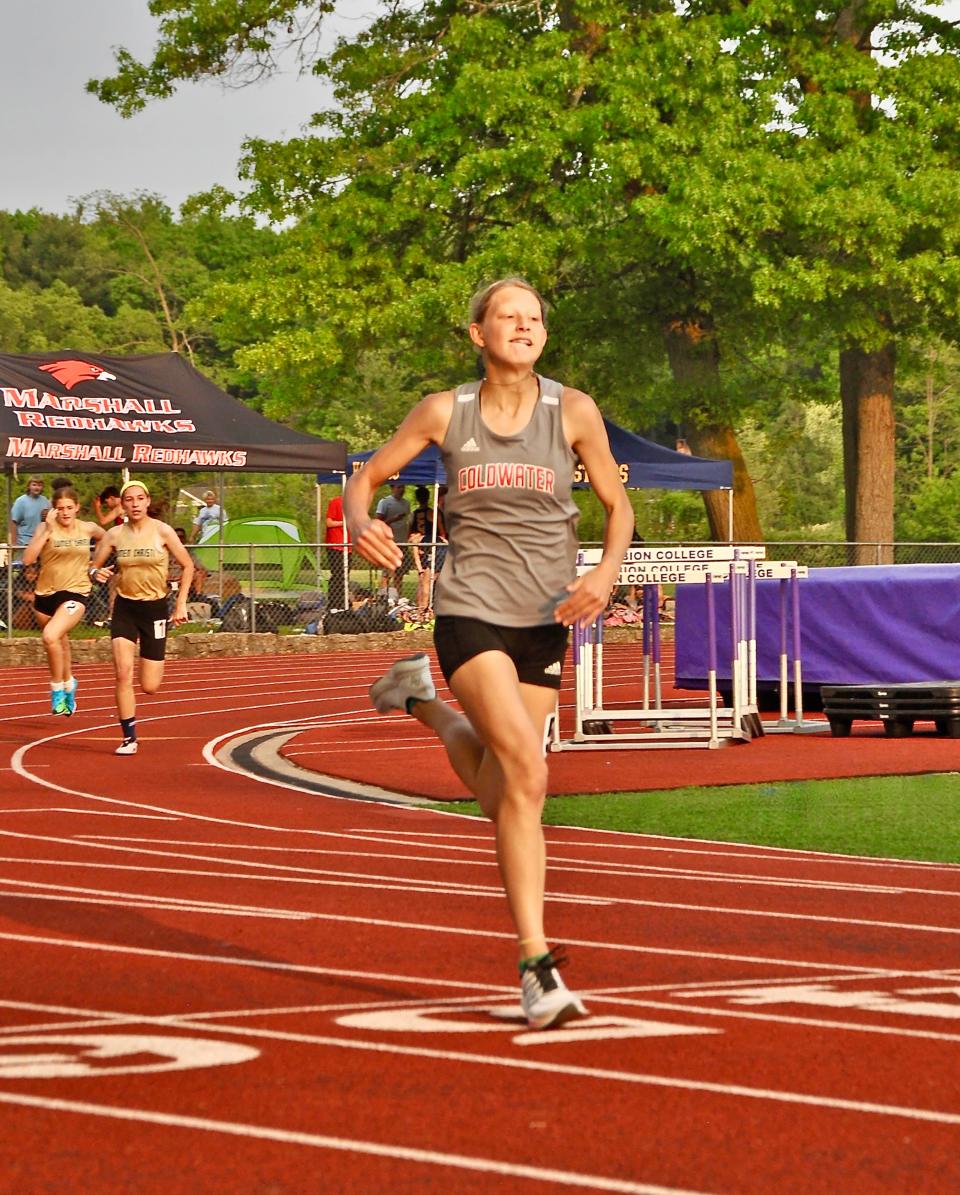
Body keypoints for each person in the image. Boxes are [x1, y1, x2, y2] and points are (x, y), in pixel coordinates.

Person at [344, 277, 633, 1030]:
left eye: (534, 317)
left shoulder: (572, 410)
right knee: (529, 773)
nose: (523, 326)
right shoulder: (447, 411)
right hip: (470, 607)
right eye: (508, 316)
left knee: (506, 786)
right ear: (478, 332)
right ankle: (536, 966)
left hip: (547, 614)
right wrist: (358, 521)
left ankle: (417, 702)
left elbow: (618, 502)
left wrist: (604, 572)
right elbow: (367, 476)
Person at [89, 480, 194, 755]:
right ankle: (129, 737)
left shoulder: (162, 531)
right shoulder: (114, 535)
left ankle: (154, 661)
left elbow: (188, 565)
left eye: (139, 499)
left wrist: (180, 604)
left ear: (147, 502)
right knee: (122, 673)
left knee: (150, 686)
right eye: (129, 500)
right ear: (122, 505)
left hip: (155, 609)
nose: (134, 504)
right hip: (125, 608)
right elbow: (93, 566)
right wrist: (94, 574)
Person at [21, 488, 104, 714]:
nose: (65, 512)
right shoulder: (46, 528)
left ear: (77, 507)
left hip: (76, 592)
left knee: (50, 636)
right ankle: (69, 683)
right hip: (46, 594)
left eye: (69, 507)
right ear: (54, 510)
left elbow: (109, 540)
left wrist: (96, 567)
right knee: (58, 644)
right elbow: (28, 559)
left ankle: (57, 690)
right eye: (60, 508)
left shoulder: (88, 527)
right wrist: (47, 530)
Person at [407, 485, 447, 612]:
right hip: (432, 546)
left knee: (427, 581)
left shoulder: (415, 515)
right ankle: (424, 609)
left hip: (434, 547)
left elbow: (411, 537)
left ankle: (425, 609)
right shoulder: (432, 513)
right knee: (427, 581)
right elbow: (442, 533)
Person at [374, 482, 410, 602]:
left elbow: (408, 522)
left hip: (402, 542)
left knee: (399, 573)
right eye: (399, 487)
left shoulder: (406, 503)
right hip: (389, 543)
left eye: (403, 486)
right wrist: (393, 519)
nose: (401, 489)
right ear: (392, 488)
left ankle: (398, 599)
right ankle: (383, 598)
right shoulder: (384, 502)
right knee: (386, 573)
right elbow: (377, 523)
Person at [324, 492, 352, 611]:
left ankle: (343, 602)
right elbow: (329, 522)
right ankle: (334, 603)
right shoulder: (335, 502)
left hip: (348, 545)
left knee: (345, 575)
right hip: (335, 545)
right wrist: (344, 523)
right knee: (337, 575)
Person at [9, 476, 50, 548]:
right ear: (29, 486)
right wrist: (14, 543)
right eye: (34, 485)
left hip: (41, 542)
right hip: (24, 543)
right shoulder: (21, 501)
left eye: (39, 485)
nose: (37, 487)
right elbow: (14, 522)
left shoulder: (45, 501)